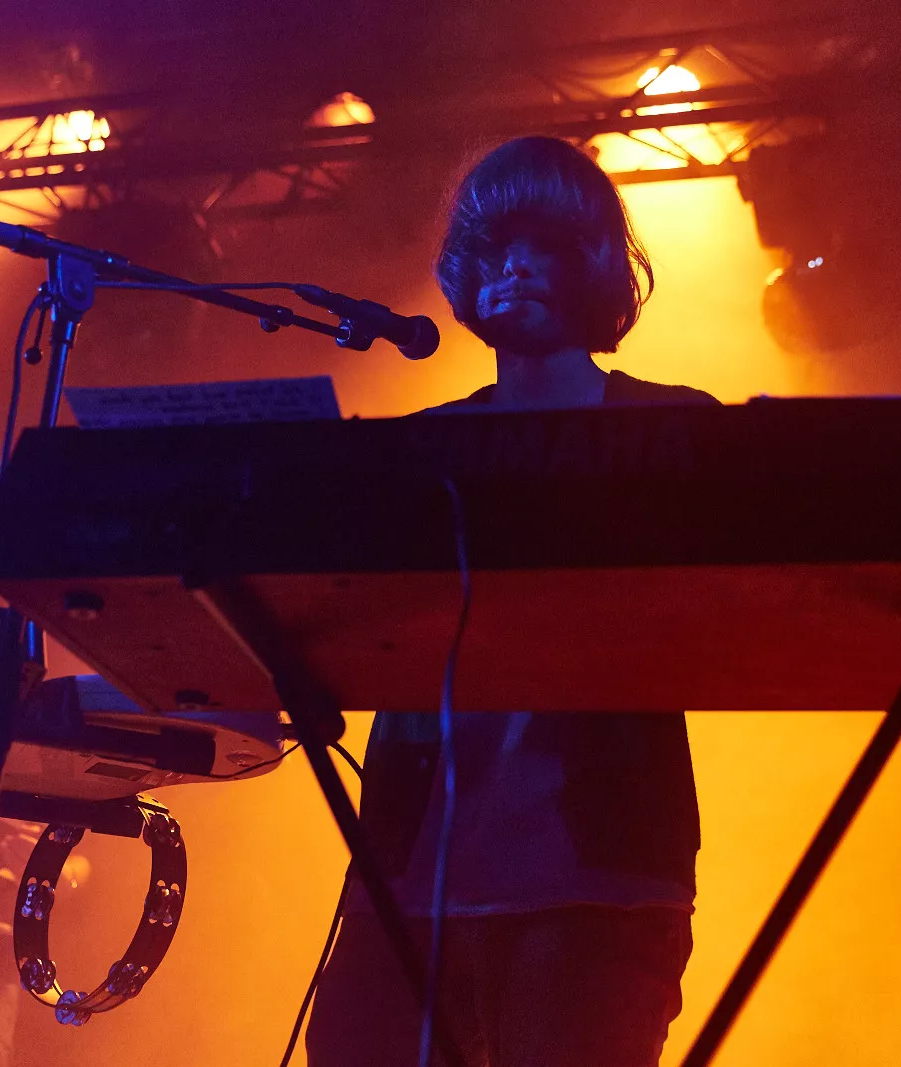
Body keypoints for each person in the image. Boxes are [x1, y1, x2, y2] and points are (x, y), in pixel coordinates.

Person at [305, 136, 716, 1067]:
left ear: (594, 263)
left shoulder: (666, 427)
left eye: (546, 243)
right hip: (406, 887)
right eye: (494, 247)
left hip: (594, 884)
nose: (515, 265)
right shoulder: (416, 449)